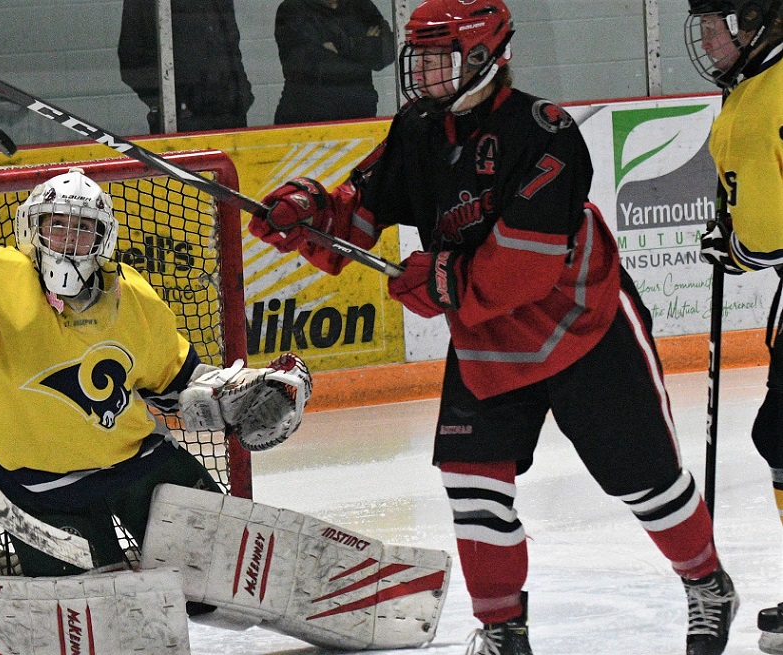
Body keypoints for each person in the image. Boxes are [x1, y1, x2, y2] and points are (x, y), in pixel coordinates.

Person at [248, 0, 739, 653]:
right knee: (472, 481)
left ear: (483, 58)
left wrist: (444, 278)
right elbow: (360, 207)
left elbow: (526, 265)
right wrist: (308, 214)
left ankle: (707, 584)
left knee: (644, 482)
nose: (421, 75)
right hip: (486, 343)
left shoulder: (545, 132)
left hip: (582, 331)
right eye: (417, 59)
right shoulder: (419, 132)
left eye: (437, 59)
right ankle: (504, 629)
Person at [0, 168, 268, 581]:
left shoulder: (132, 293)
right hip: (41, 488)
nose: (69, 239)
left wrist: (238, 395)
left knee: (221, 576)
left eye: (83, 228)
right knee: (96, 614)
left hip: (138, 463)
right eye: (58, 225)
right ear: (34, 228)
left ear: (103, 238)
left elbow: (177, 380)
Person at [685, 1, 783, 652]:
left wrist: (740, 249)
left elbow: (769, 232)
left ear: (754, 23)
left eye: (716, 25)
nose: (707, 40)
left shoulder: (759, 101)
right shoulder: (753, 91)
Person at [118, 0, 254, 134]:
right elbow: (130, 57)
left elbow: (231, 47)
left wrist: (241, 93)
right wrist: (170, 104)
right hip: (182, 123)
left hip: (230, 116)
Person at [273, 0, 395, 124]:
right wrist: (363, 44)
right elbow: (315, 66)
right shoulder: (293, 9)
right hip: (306, 117)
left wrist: (337, 46)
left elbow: (384, 54)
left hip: (358, 115)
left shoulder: (361, 5)